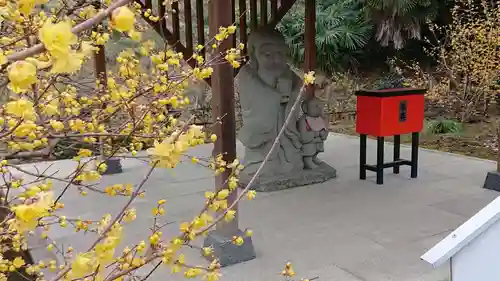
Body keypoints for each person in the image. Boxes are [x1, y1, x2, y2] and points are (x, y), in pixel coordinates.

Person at [235, 28, 304, 177]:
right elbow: (252, 96)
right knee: (264, 163)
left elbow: (300, 86)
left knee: (292, 157)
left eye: (280, 54)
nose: (275, 59)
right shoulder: (247, 74)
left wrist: (292, 94)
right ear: (254, 54)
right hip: (264, 129)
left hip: (284, 124)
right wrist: (275, 96)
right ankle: (260, 162)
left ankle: (287, 158)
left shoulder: (287, 73)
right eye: (267, 54)